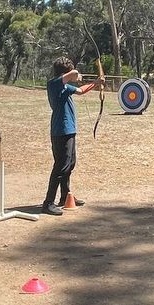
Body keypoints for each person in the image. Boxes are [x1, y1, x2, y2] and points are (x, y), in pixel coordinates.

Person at [42, 56, 104, 216]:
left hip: (69, 130)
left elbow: (81, 90)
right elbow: (75, 73)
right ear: (64, 73)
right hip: (60, 131)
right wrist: (76, 74)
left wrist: (96, 83)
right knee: (61, 166)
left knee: (70, 164)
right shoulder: (54, 84)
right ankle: (48, 202)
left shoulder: (66, 87)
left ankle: (65, 196)